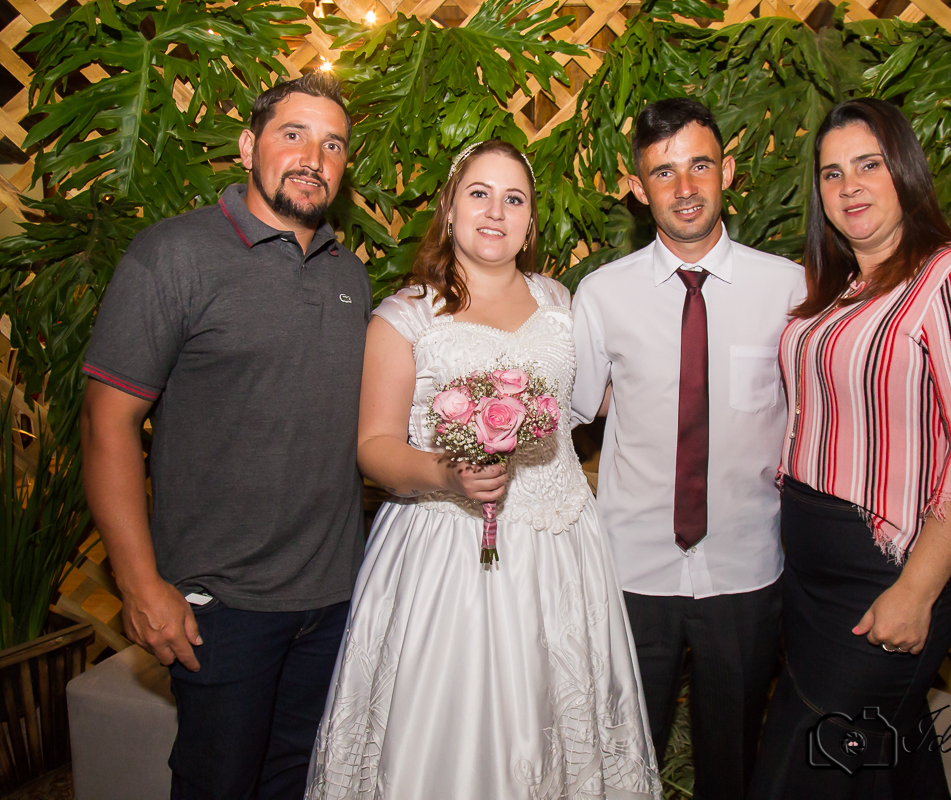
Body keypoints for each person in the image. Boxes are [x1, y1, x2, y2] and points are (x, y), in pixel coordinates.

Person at [305, 139, 660, 800]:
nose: (496, 210)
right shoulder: (406, 315)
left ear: (529, 223)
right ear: (449, 208)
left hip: (562, 550)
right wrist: (447, 475)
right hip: (449, 556)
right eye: (479, 193)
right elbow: (374, 445)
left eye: (514, 198)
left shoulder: (561, 301)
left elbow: (587, 402)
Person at [80, 73, 370, 799]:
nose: (314, 157)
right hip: (222, 609)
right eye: (293, 134)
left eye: (332, 144)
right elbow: (106, 423)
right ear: (249, 146)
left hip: (333, 602)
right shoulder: (173, 256)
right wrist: (140, 583)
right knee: (218, 786)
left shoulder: (351, 276)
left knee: (300, 783)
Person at [751, 98, 951, 800]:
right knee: (881, 768)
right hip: (811, 577)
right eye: (832, 173)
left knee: (800, 768)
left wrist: (917, 590)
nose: (850, 187)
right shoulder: (840, 291)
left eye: (868, 165)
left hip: (890, 571)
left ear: (904, 169)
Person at [571, 98, 805, 800]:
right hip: (632, 570)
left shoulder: (789, 288)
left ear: (727, 170)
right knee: (623, 758)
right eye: (663, 173)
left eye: (699, 165)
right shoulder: (602, 295)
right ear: (638, 190)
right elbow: (575, 408)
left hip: (746, 567)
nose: (685, 188)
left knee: (732, 762)